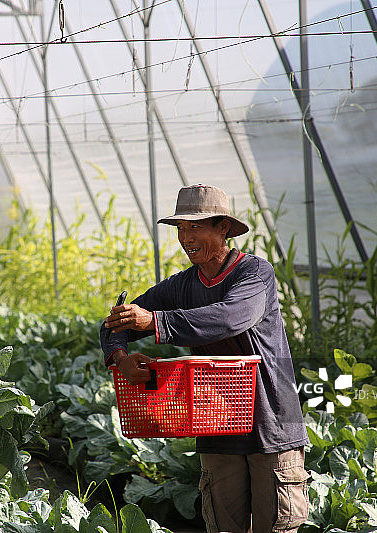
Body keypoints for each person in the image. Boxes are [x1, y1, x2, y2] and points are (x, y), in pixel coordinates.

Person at [100, 184, 309, 533]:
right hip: (216, 421)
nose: (185, 237)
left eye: (195, 227)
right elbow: (114, 324)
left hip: (271, 424)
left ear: (223, 228)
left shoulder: (255, 274)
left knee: (275, 527)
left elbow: (228, 318)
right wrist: (120, 357)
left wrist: (155, 321)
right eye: (181, 228)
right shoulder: (181, 286)